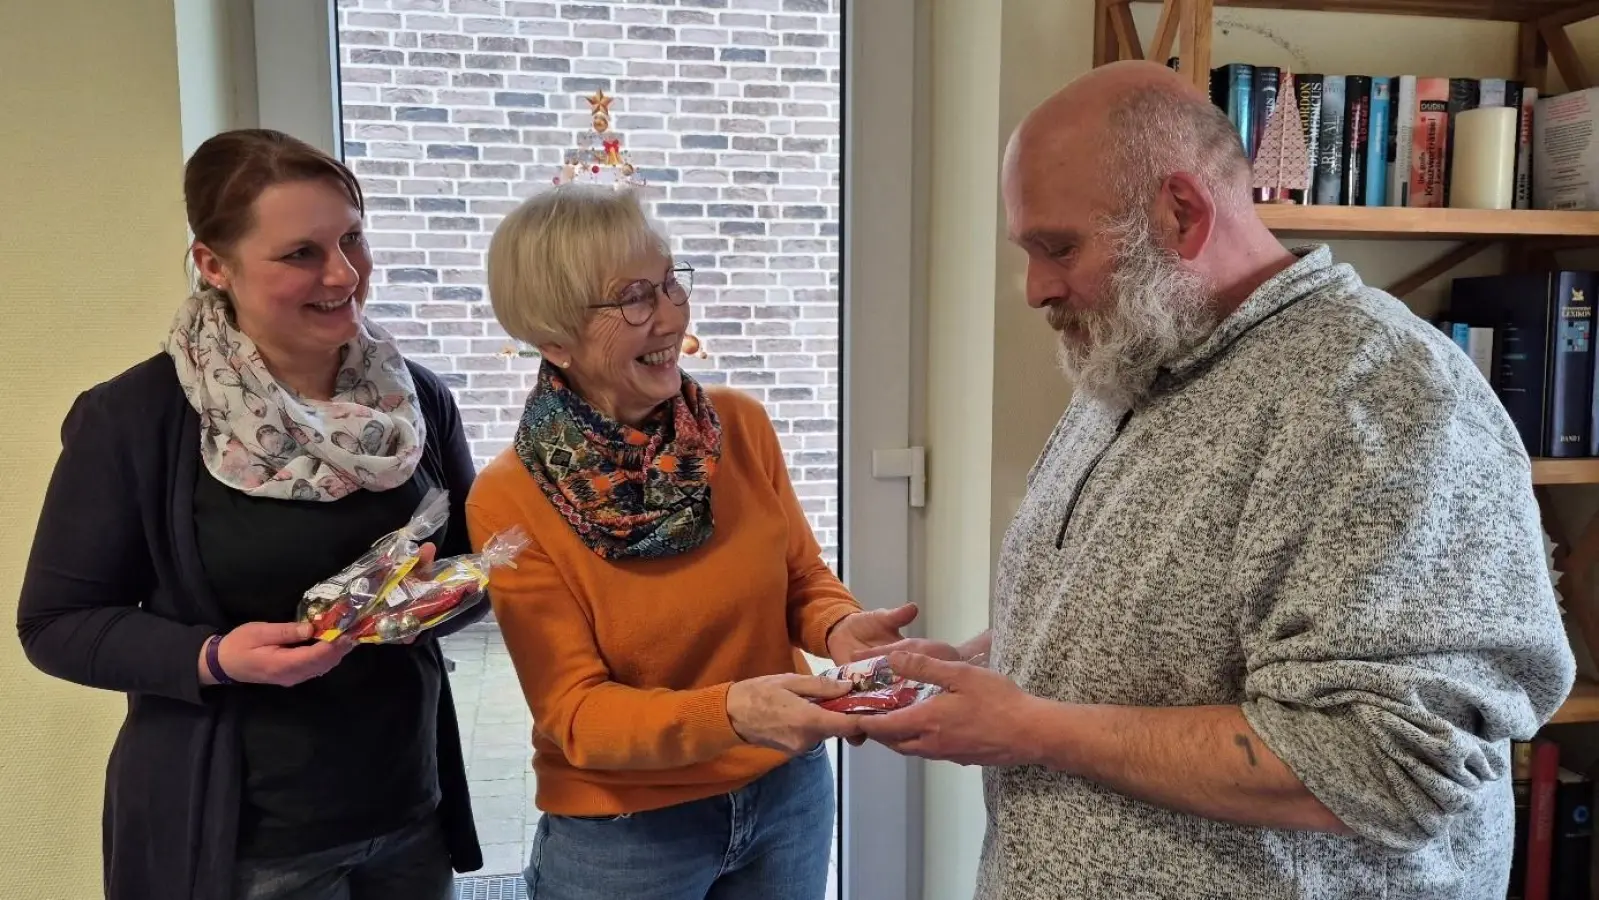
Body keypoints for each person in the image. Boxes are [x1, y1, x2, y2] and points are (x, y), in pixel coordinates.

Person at [855, 61, 1576, 899]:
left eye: (1058, 248)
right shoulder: (1137, 358)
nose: (1036, 288)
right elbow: (1162, 630)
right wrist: (994, 665)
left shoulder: (1378, 396)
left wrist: (1031, 728)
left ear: (1182, 212)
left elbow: (1394, 760)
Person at [16, 128, 485, 900]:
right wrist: (216, 658)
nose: (343, 275)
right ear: (212, 263)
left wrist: (427, 599)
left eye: (353, 239)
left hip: (408, 814)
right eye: (300, 253)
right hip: (242, 846)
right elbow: (56, 624)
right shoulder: (136, 419)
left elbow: (469, 569)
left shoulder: (413, 399)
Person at [465, 183, 917, 900]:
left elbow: (801, 579)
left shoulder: (737, 427)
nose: (671, 313)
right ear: (553, 339)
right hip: (625, 835)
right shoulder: (507, 498)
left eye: (671, 281)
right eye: (634, 298)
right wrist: (731, 711)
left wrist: (839, 627)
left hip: (786, 795)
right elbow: (576, 715)